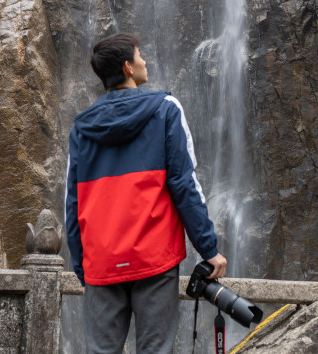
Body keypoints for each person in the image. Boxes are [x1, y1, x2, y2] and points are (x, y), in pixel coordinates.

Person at [65, 32, 227, 354]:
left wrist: (83, 269)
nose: (145, 61)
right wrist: (208, 248)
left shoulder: (81, 128)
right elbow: (183, 184)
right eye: (140, 56)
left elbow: (72, 203)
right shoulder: (166, 110)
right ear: (128, 67)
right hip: (154, 257)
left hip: (102, 261)